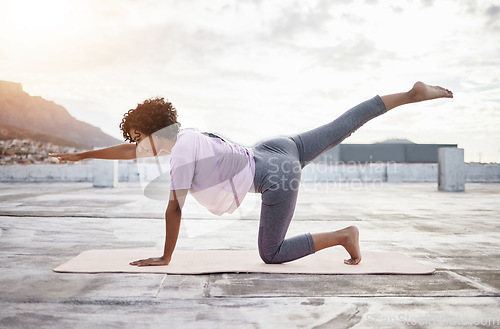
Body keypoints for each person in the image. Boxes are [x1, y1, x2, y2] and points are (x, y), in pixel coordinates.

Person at [51, 81, 453, 267]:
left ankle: (345, 236)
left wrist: (165, 256)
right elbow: (129, 151)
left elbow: (174, 210)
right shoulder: (186, 136)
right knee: (340, 125)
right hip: (275, 147)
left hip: (275, 175)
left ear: (154, 133)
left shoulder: (180, 156)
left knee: (271, 254)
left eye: (140, 138)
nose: (138, 146)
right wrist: (83, 154)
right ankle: (410, 94)